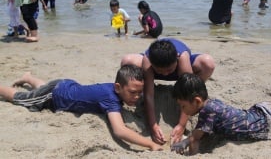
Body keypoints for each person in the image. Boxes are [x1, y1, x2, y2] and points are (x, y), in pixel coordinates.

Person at [0, 65, 163, 151]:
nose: (137, 97)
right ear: (118, 87)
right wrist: (150, 144)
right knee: (22, 98)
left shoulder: (113, 91)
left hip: (65, 85)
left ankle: (28, 77)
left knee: (43, 88)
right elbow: (119, 130)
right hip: (56, 95)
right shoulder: (111, 99)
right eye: (133, 92)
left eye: (140, 93)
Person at [171, 73, 271, 155]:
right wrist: (186, 141)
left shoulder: (206, 113)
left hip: (269, 124)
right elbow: (202, 132)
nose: (182, 111)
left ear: (197, 101)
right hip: (259, 110)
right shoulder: (212, 103)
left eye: (183, 106)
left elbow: (195, 139)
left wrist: (191, 153)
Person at [120, 38, 215, 145]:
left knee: (208, 63)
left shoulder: (182, 57)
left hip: (178, 71)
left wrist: (181, 125)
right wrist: (153, 125)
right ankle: (141, 87)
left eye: (168, 70)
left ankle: (196, 88)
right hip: (153, 71)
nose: (165, 74)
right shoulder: (148, 59)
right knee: (127, 60)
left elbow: (188, 93)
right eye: (161, 71)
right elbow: (149, 95)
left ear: (177, 59)